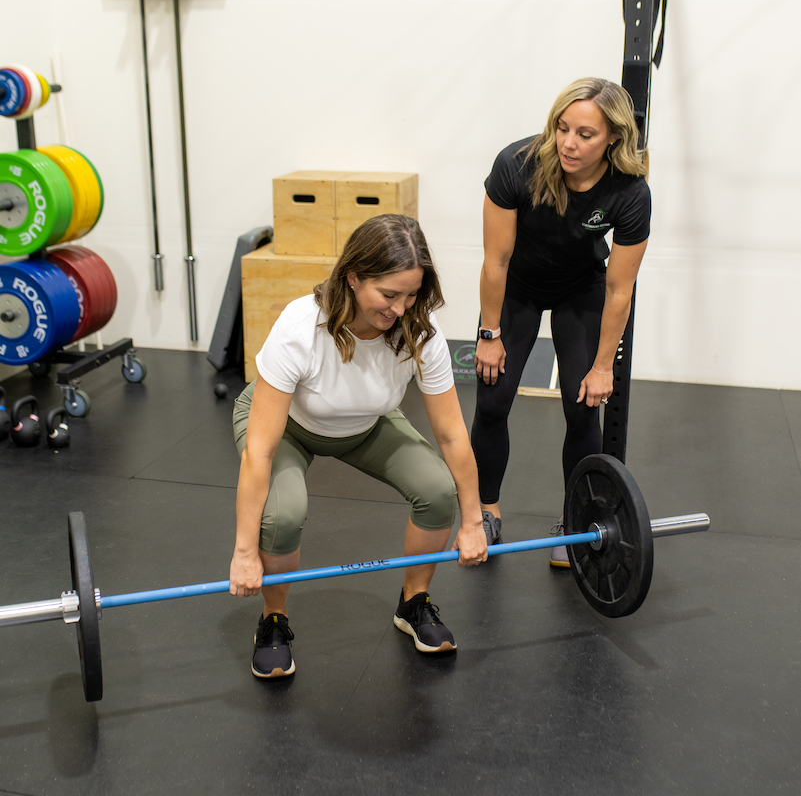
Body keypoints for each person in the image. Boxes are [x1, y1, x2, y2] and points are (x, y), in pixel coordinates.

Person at [230, 213, 487, 678]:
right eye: (388, 295)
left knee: (436, 489)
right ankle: (273, 617)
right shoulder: (302, 326)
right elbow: (260, 451)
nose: (400, 308)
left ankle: (414, 602)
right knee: (283, 513)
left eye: (411, 295)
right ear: (352, 277)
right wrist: (245, 552)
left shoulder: (420, 333)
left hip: (365, 423)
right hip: (287, 424)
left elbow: (451, 434)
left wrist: (474, 520)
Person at [471, 77, 651, 566]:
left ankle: (572, 524)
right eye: (562, 128)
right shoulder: (517, 165)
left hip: (581, 290)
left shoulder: (630, 191)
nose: (568, 143)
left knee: (582, 405)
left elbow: (619, 288)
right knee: (493, 399)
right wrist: (489, 334)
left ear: (613, 137)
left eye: (585, 134)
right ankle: (485, 513)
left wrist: (602, 365)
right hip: (518, 289)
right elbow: (496, 260)